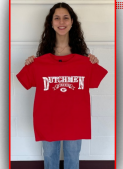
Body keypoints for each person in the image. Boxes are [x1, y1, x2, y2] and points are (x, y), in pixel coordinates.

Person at [17, 2, 107, 169]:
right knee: (50, 158)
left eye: (66, 17)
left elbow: (95, 79)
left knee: (73, 158)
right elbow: (25, 80)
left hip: (75, 119)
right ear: (51, 23)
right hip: (48, 119)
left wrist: (92, 63)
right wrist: (30, 64)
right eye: (57, 18)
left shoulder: (83, 58)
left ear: (72, 22)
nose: (61, 22)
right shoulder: (41, 59)